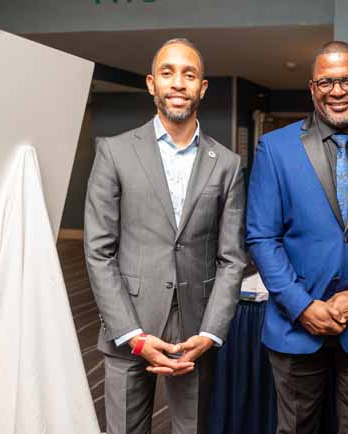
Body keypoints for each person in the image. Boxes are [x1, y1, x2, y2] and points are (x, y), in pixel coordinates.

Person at [246, 41, 348, 434]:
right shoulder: (275, 148)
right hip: (294, 326)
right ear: (312, 88)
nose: (337, 91)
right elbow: (261, 237)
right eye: (326, 82)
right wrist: (302, 306)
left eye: (347, 80)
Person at [84, 38, 246, 434]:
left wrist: (209, 334)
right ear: (151, 83)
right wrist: (132, 335)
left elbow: (232, 258)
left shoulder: (227, 164)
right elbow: (98, 252)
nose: (178, 83)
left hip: (195, 333)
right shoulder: (115, 152)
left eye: (189, 75)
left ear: (202, 88)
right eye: (167, 73)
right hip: (129, 328)